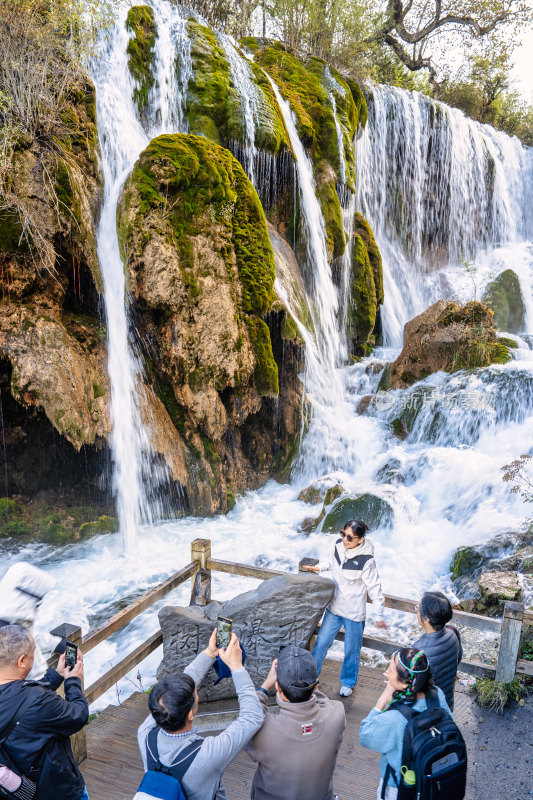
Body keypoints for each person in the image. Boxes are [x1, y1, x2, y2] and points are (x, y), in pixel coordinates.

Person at [137, 630, 263, 800]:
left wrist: (209, 653)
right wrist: (237, 667)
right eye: (196, 695)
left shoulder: (145, 735)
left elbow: (174, 693)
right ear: (190, 714)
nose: (197, 694)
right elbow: (252, 717)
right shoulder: (208, 754)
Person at [0, 623, 89, 800]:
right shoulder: (41, 703)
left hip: (15, 790)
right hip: (54, 789)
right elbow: (79, 715)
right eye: (33, 651)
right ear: (22, 661)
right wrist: (73, 681)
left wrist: (56, 675)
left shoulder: (31, 699)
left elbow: (23, 698)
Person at [246, 645, 345, 800]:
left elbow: (248, 718)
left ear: (278, 687)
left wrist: (264, 687)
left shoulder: (263, 730)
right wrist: (308, 685)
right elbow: (321, 699)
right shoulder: (337, 714)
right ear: (316, 685)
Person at [302, 518, 388, 697]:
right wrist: (318, 568)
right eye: (343, 534)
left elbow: (375, 589)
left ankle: (348, 682)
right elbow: (332, 562)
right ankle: (310, 679)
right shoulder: (339, 545)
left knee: (351, 650)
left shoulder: (367, 561)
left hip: (354, 613)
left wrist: (379, 616)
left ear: (360, 540)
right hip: (334, 607)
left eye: (350, 537)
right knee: (321, 644)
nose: (345, 539)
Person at [359, 647, 452, 800]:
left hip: (399, 786)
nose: (387, 673)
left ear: (404, 684)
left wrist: (382, 700)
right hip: (433, 777)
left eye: (390, 669)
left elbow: (365, 735)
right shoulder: (437, 695)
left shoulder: (394, 719)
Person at [0, 563, 63, 680]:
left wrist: (59, 644)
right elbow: (35, 685)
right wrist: (61, 674)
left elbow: (32, 638)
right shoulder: (12, 633)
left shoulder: (8, 623)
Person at [413, 591, 462, 710]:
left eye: (418, 608)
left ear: (426, 619)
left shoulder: (419, 651)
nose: (416, 611)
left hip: (427, 712)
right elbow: (458, 658)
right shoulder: (452, 633)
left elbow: (412, 688)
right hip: (447, 705)